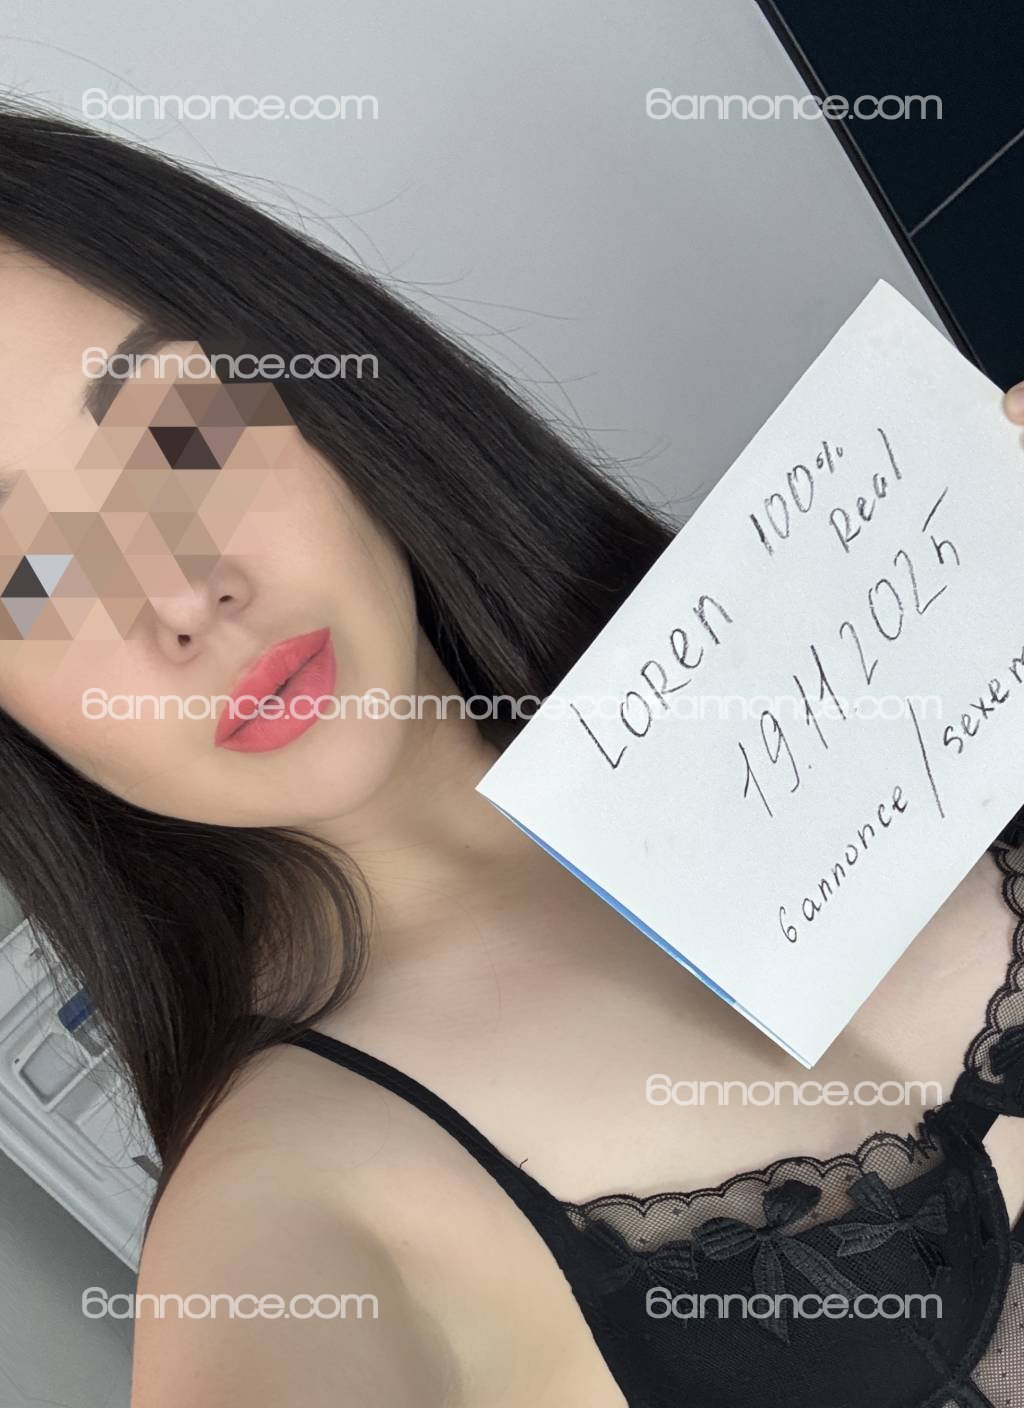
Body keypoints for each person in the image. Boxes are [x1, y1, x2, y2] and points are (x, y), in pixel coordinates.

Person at [1, 102, 1023, 1408]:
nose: (181, 594)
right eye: (33, 576)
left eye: (176, 436)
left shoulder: (876, 638)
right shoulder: (288, 1217)